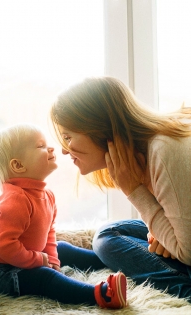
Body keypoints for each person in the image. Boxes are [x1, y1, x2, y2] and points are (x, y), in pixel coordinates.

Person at [50, 76, 191, 302]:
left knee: (107, 239)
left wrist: (134, 190)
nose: (65, 150)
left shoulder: (163, 150)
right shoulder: (149, 150)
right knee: (109, 234)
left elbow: (187, 252)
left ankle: (184, 290)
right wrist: (162, 234)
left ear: (97, 128)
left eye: (68, 137)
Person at [0, 123, 127, 309]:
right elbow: (4, 246)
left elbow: (48, 233)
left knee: (62, 248)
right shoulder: (15, 200)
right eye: (41, 146)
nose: (51, 148)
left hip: (20, 255)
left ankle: (113, 261)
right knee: (44, 277)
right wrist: (38, 261)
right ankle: (100, 295)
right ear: (18, 165)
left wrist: (51, 259)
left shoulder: (47, 195)